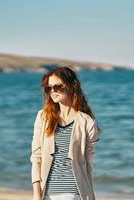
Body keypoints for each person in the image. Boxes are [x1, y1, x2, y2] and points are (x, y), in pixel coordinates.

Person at [30, 66, 100, 200]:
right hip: (47, 193)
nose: (52, 91)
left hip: (74, 194)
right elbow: (36, 157)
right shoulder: (43, 117)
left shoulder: (87, 122)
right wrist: (36, 193)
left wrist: (89, 196)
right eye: (49, 88)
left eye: (57, 87)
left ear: (70, 86)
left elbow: (88, 165)